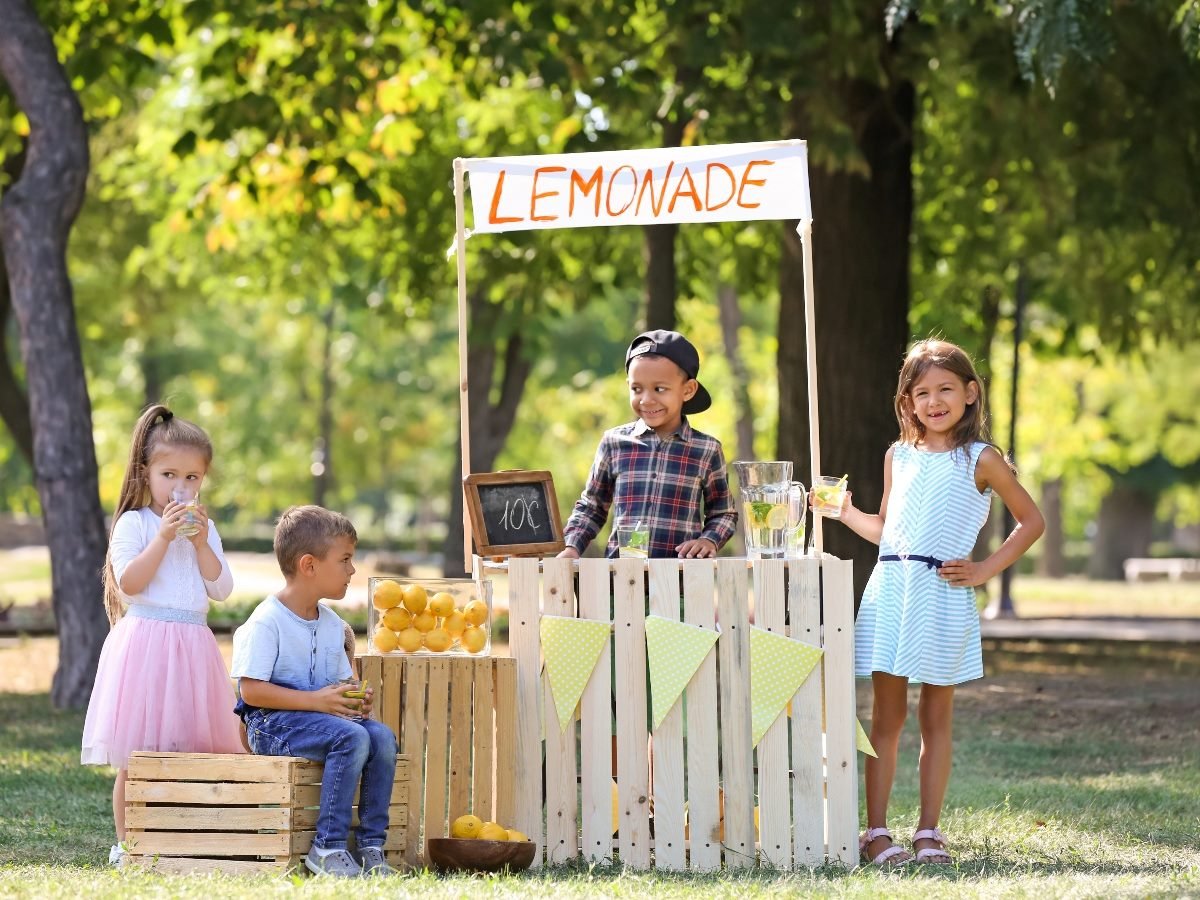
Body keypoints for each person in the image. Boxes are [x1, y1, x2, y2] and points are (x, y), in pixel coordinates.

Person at [826, 339, 1044, 867]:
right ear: (908, 402)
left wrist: (985, 570)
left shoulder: (982, 458)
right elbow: (887, 531)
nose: (933, 401)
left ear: (970, 393)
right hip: (892, 588)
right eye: (921, 392)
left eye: (945, 389)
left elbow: (1032, 522)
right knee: (886, 717)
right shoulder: (898, 455)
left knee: (936, 717)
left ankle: (928, 831)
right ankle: (876, 831)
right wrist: (845, 513)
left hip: (943, 595)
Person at [81, 405, 244, 867]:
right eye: (170, 473)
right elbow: (129, 583)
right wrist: (163, 538)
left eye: (193, 477)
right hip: (147, 645)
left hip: (193, 646)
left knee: (194, 748)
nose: (181, 486)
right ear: (145, 472)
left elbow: (221, 588)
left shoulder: (204, 529)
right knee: (139, 754)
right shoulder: (134, 524)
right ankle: (127, 843)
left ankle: (182, 837)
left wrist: (197, 542)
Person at [231, 506, 398, 878]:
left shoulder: (333, 625)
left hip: (319, 720)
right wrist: (316, 702)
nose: (353, 570)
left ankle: (371, 846)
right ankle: (328, 846)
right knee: (352, 739)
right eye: (345, 560)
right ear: (309, 565)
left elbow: (340, 685)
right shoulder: (266, 621)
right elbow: (251, 690)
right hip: (271, 724)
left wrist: (353, 699)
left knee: (382, 738)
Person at [558, 329, 737, 560]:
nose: (646, 399)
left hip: (680, 582)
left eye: (659, 389)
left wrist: (708, 539)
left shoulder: (706, 450)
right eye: (636, 389)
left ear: (688, 390)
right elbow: (591, 507)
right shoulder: (614, 443)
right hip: (620, 579)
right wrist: (572, 547)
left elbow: (723, 512)